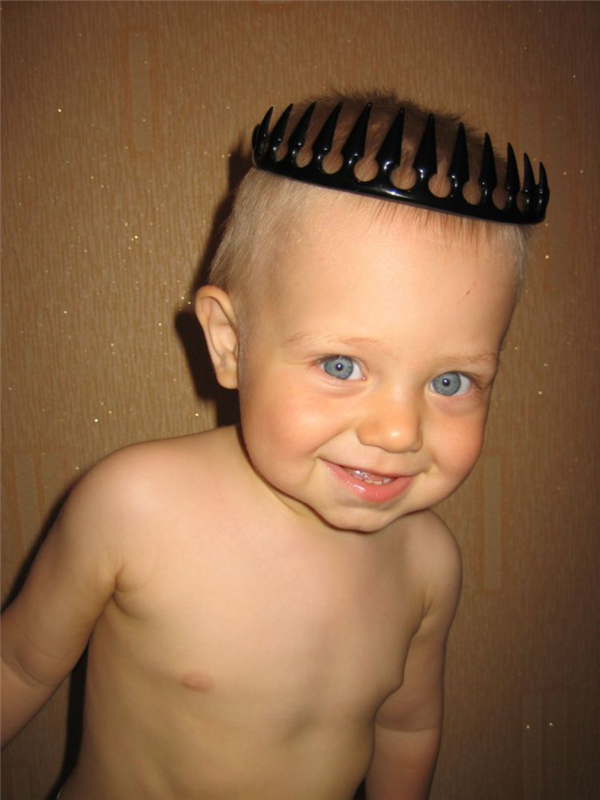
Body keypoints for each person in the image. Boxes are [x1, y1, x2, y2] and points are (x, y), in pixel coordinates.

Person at [0, 90, 549, 800]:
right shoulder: (134, 508)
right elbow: (19, 664)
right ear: (231, 345)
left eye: (451, 381)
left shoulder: (428, 566)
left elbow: (408, 727)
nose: (398, 432)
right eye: (341, 366)